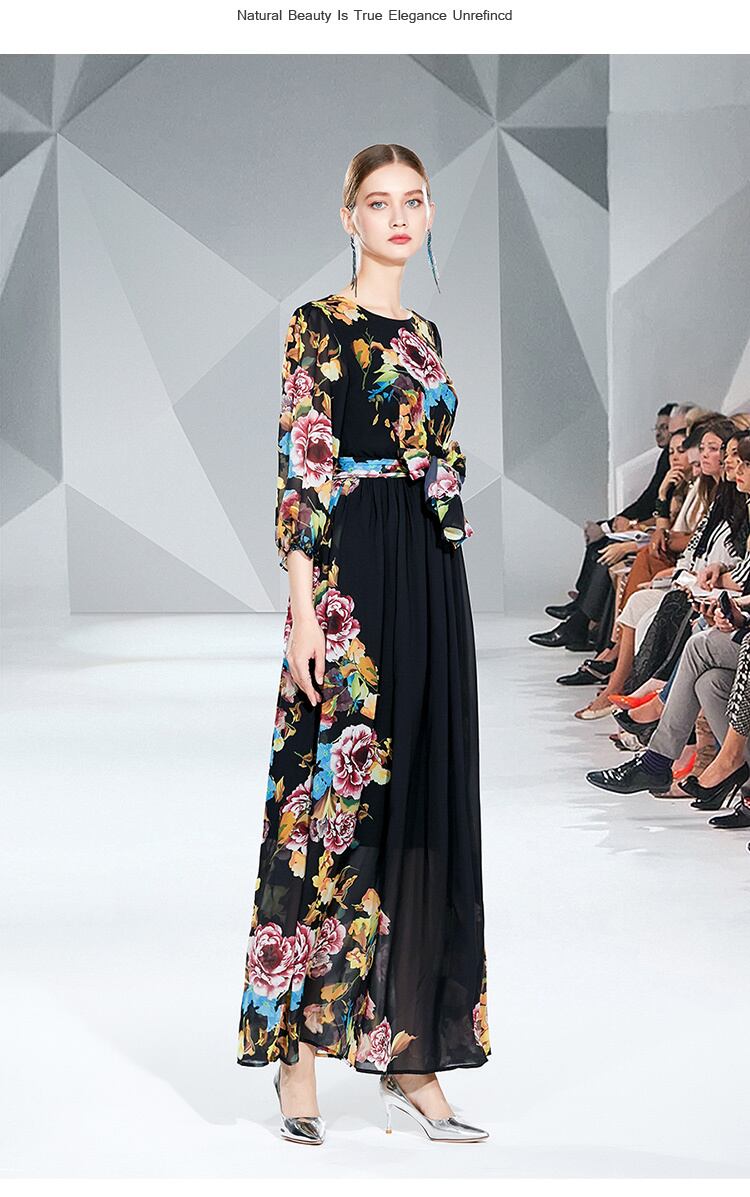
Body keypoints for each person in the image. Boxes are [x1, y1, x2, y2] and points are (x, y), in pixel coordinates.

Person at [236, 144, 490, 1146]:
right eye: (379, 202)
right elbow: (303, 464)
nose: (399, 217)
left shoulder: (425, 332)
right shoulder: (317, 324)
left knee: (423, 798)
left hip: (429, 573)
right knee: (329, 807)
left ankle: (410, 1050)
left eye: (414, 201)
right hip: (350, 584)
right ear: (349, 216)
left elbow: (438, 456)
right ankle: (297, 1053)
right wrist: (302, 610)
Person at [530, 404, 686, 650]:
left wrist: (630, 533)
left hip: (673, 556)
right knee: (606, 547)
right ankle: (585, 621)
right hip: (661, 546)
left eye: (680, 445)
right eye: (671, 446)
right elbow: (655, 513)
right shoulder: (681, 480)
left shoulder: (696, 488)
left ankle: (590, 632)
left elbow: (673, 530)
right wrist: (626, 522)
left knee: (611, 551)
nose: (672, 452)